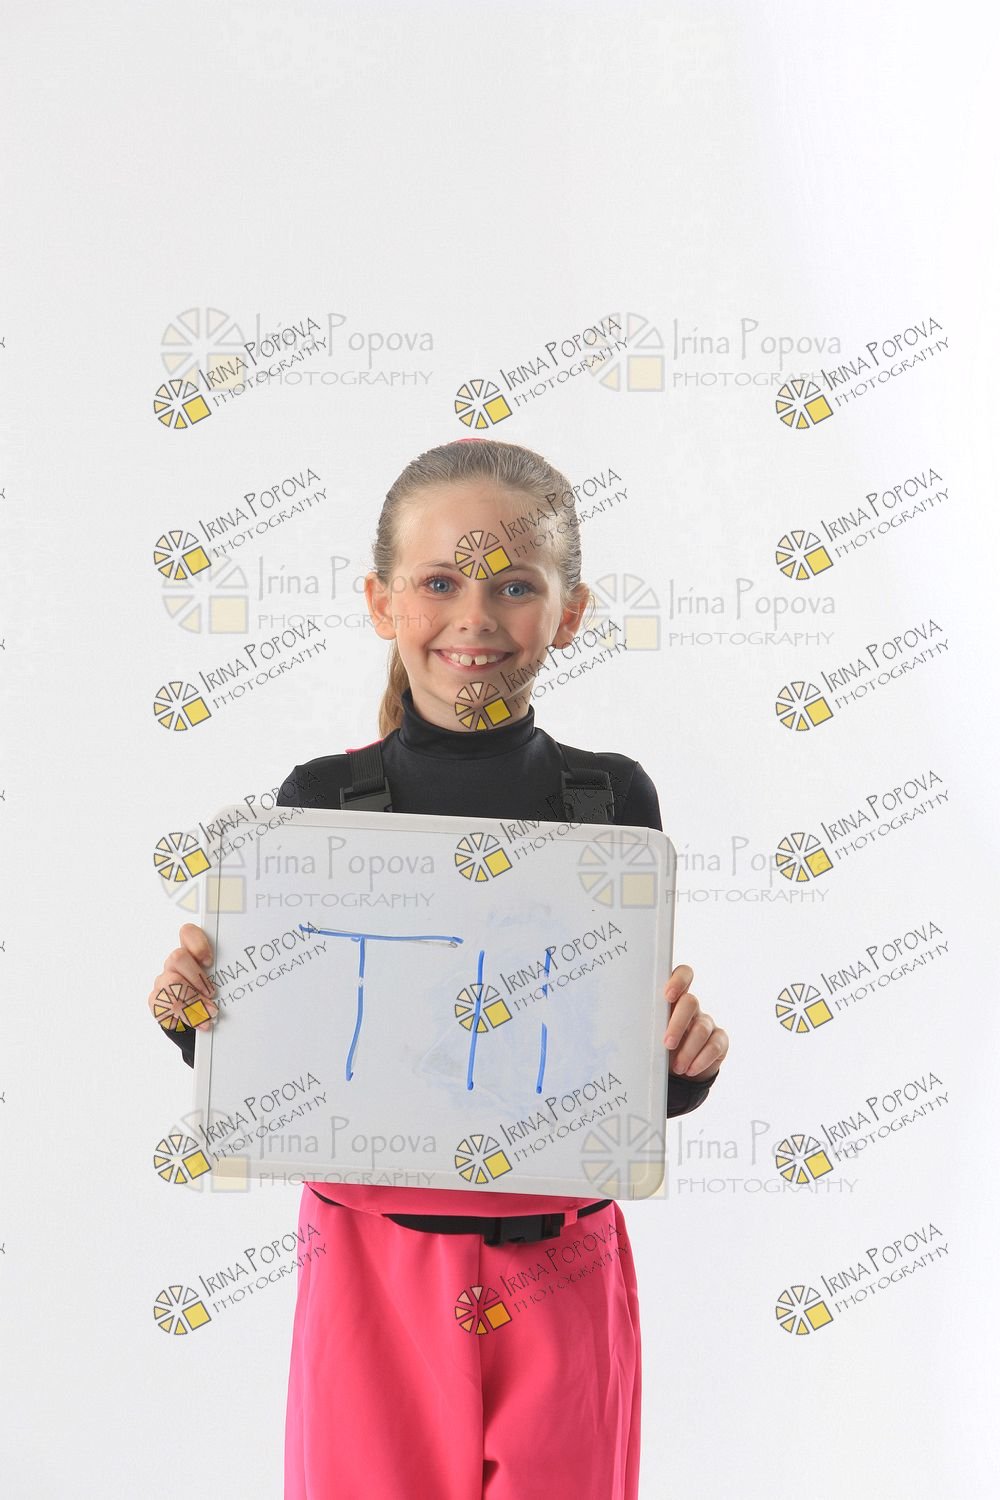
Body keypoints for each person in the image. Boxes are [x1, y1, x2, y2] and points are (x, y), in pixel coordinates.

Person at [148, 436, 729, 1500]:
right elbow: (298, 1064)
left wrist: (681, 1068)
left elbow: (613, 1069)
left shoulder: (612, 803)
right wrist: (202, 1020)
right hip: (374, 1268)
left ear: (569, 612)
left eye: (515, 586)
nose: (475, 616)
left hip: (562, 1260)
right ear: (381, 602)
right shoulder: (320, 802)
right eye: (438, 583)